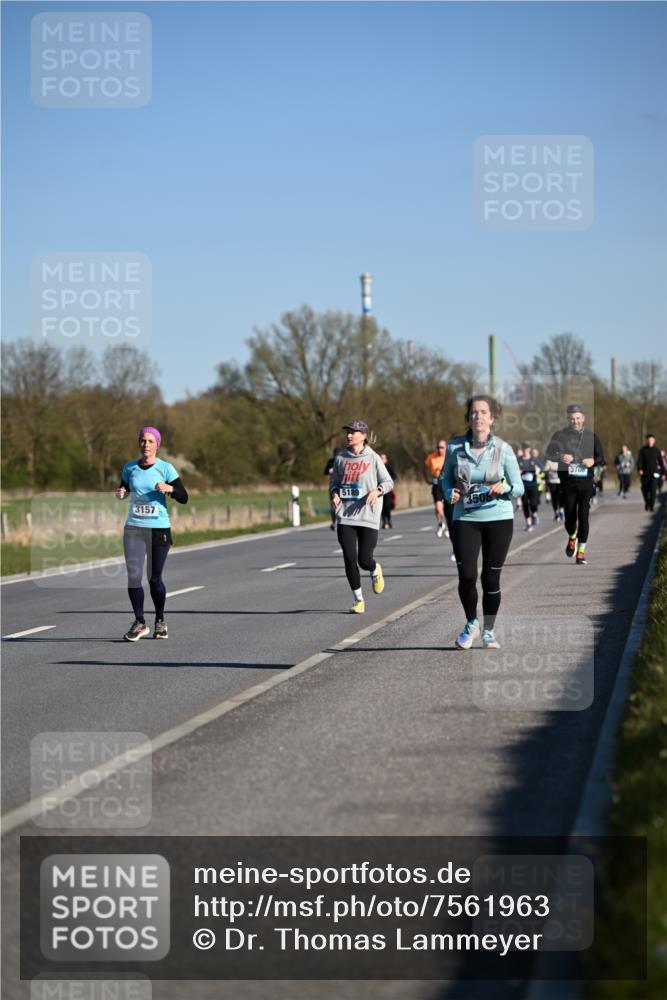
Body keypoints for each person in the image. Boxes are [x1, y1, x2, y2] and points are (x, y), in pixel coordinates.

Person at [441, 395, 524, 650]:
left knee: (490, 578)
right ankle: (471, 624)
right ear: (468, 418)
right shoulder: (455, 447)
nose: (478, 416)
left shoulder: (503, 448)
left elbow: (519, 486)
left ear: (492, 417)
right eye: (474, 412)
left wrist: (505, 487)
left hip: (498, 518)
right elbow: (445, 478)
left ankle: (489, 630)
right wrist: (449, 492)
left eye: (483, 412)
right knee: (467, 575)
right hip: (465, 518)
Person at [115, 427, 189, 640]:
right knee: (134, 577)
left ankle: (160, 620)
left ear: (157, 444)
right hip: (134, 528)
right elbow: (124, 489)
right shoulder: (129, 468)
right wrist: (121, 493)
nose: (145, 445)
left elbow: (184, 497)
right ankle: (139, 622)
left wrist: (170, 489)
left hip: (158, 529)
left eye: (150, 441)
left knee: (154, 579)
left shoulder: (166, 468)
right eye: (142, 440)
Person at [330, 420, 393, 614]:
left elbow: (388, 482)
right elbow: (334, 484)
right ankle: (358, 600)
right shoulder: (340, 459)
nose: (349, 435)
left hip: (368, 516)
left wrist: (377, 491)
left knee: (364, 560)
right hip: (345, 516)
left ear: (363, 436)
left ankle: (374, 569)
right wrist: (335, 494)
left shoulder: (373, 458)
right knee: (349, 558)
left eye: (353, 432)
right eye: (348, 432)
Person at [545, 404, 604, 566]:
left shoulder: (592, 436)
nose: (575, 421)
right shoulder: (559, 435)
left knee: (583, 515)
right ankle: (572, 536)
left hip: (586, 482)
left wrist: (593, 461)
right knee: (570, 516)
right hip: (567, 482)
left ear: (583, 418)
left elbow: (601, 458)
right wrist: (560, 456)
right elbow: (548, 453)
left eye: (578, 418)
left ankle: (581, 552)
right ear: (567, 419)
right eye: (572, 418)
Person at [424, 440, 450, 538]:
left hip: (447, 484)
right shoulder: (431, 457)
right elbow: (424, 467)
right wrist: (426, 479)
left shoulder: (449, 457)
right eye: (438, 447)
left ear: (446, 448)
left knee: (448, 508)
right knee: (438, 508)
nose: (440, 449)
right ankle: (441, 523)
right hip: (436, 484)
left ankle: (447, 526)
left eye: (442, 448)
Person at [519, 443, 541, 531]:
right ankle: (528, 523)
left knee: (533, 503)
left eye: (527, 449)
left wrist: (538, 470)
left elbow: (542, 468)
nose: (525, 450)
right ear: (522, 450)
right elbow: (513, 471)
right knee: (525, 504)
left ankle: (534, 514)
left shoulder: (534, 459)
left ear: (529, 449)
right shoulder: (519, 460)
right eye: (524, 449)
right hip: (523, 486)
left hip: (533, 485)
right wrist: (518, 472)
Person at [637, 434, 662, 512]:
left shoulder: (657, 450)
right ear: (647, 441)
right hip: (645, 473)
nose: (650, 441)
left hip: (655, 473)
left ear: (654, 441)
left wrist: (664, 473)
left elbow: (661, 462)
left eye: (651, 440)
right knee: (644, 489)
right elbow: (639, 461)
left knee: (653, 489)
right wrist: (640, 469)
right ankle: (647, 502)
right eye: (649, 440)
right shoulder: (642, 450)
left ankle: (652, 506)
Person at [323, 447, 341, 530]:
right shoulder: (330, 461)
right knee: (333, 504)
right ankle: (334, 522)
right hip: (332, 485)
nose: (336, 456)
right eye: (335, 455)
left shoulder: (343, 460)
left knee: (342, 504)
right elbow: (325, 472)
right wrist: (329, 471)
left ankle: (341, 521)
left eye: (338, 455)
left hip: (342, 485)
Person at [379, 452, 397, 529]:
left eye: (383, 458)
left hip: (387, 490)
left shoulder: (388, 468)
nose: (382, 460)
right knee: (381, 507)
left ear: (386, 460)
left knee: (387, 506)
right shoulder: (376, 467)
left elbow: (395, 476)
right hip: (379, 490)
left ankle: (389, 521)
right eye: (380, 458)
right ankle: (384, 522)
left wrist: (389, 482)